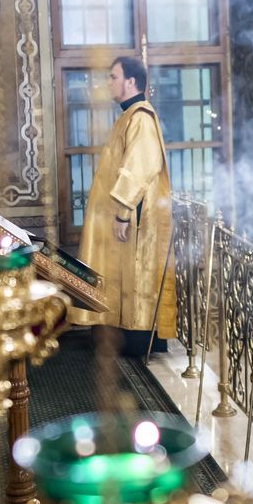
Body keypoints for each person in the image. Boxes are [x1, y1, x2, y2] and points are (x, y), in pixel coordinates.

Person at [74, 55, 176, 357]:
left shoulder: (141, 116)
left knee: (135, 273)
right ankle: (115, 330)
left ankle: (135, 337)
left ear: (131, 81)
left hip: (133, 215)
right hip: (124, 212)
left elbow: (140, 167)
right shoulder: (128, 114)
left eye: (113, 77)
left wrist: (122, 213)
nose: (109, 83)